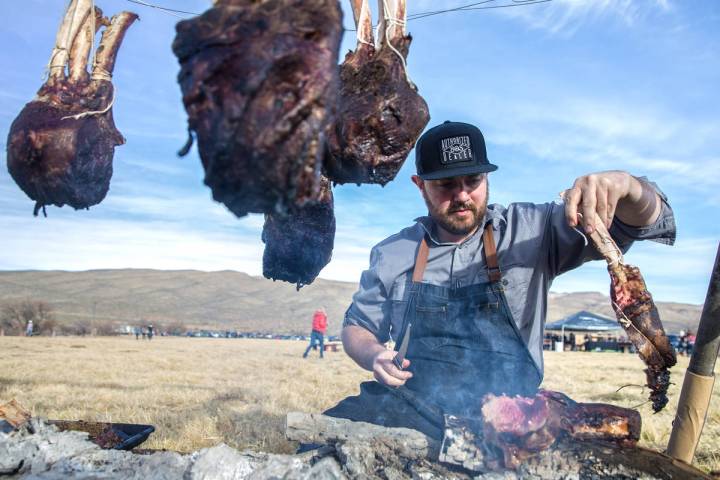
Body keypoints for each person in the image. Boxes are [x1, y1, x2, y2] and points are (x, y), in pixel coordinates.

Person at [323, 121, 676, 439]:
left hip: (511, 415)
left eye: (472, 181)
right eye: (446, 184)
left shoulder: (534, 231)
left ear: (487, 178)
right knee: (323, 438)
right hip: (411, 405)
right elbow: (358, 326)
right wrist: (373, 356)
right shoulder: (393, 253)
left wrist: (627, 185)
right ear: (420, 186)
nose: (462, 195)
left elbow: (645, 221)